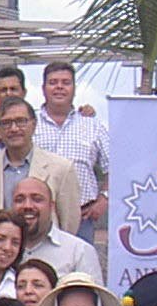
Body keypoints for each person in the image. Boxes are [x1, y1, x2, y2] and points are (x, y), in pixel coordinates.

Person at [0, 98, 79, 233]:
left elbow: (69, 224)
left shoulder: (61, 168)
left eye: (21, 121)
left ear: (34, 125)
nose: (14, 128)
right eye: (6, 123)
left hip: (45, 251)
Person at [31, 62, 110, 241]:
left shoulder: (92, 125)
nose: (59, 87)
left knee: (80, 268)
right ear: (43, 88)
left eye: (65, 82)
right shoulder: (29, 123)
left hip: (82, 217)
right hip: (37, 217)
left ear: (74, 88)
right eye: (53, 82)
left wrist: (104, 199)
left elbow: (113, 167)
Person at [10, 177, 101, 277]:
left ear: (52, 206)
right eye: (19, 200)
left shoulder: (79, 251)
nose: (27, 206)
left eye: (37, 199)